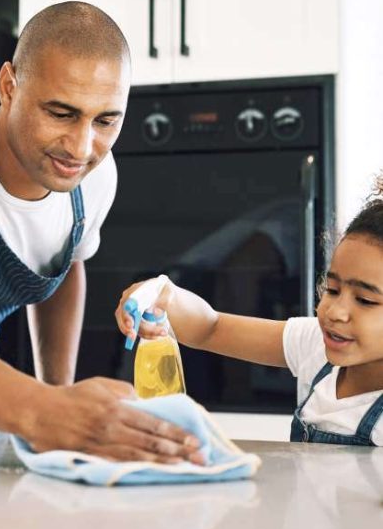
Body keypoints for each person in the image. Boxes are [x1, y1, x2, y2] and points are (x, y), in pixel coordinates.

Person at [0, 1, 203, 465]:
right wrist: (44, 410)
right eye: (60, 113)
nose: (81, 146)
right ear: (9, 85)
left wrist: (61, 395)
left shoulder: (95, 175)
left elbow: (64, 264)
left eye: (106, 120)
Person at [116, 180, 383, 446]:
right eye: (332, 289)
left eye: (365, 300)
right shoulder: (314, 342)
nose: (335, 312)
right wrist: (165, 294)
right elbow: (210, 328)